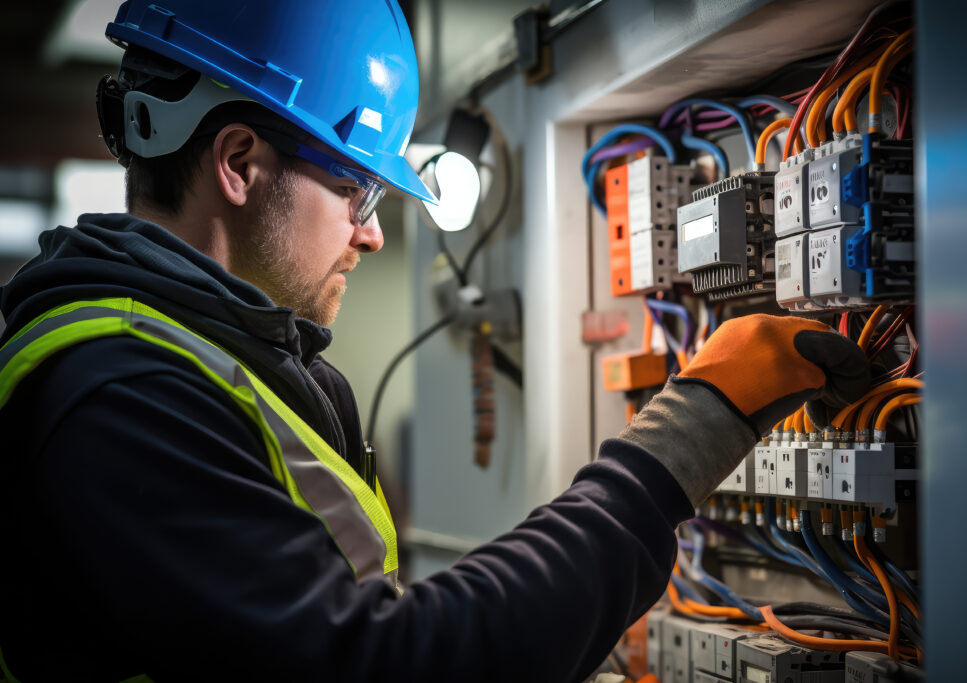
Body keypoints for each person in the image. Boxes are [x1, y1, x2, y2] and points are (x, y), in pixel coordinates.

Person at [0, 1, 869, 681]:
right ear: (236, 161)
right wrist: (690, 432)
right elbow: (381, 665)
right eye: (357, 190)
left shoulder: (245, 360)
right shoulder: (121, 396)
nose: (372, 235)